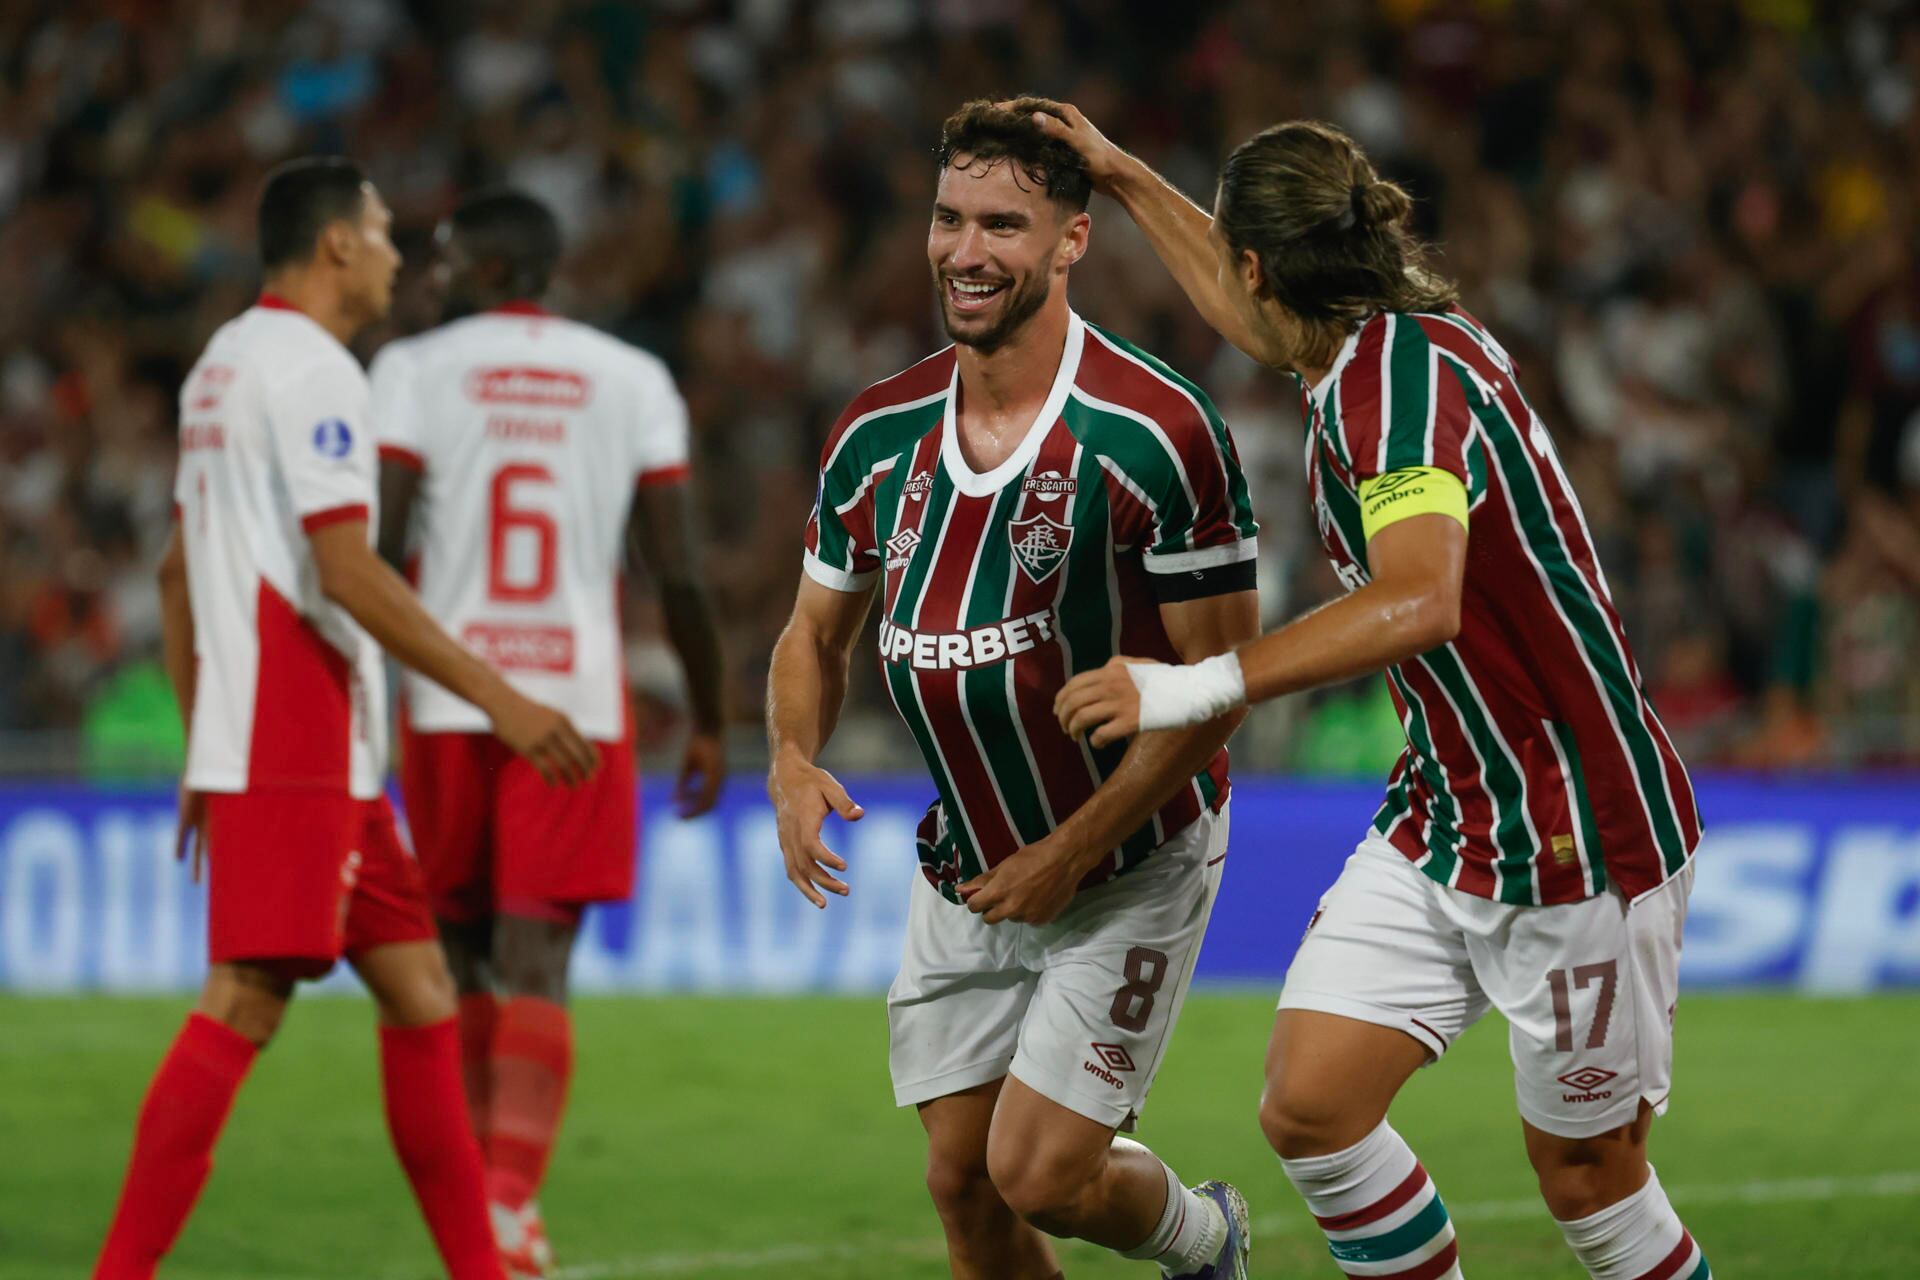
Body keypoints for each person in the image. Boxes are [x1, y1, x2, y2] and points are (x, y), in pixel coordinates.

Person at [1045, 105, 1712, 1280]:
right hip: (1448, 806)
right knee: (1312, 1104)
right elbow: (1237, 295)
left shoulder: (1391, 393)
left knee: (1590, 1177)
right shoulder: (1372, 349)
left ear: (1263, 267)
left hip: (1573, 824)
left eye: (1233, 256)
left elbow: (1419, 600)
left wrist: (1194, 684)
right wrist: (1121, 173)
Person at [766, 99, 1262, 1280]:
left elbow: (1221, 688)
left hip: (1130, 857)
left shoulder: (1155, 432)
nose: (966, 251)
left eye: (1003, 224)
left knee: (1038, 1173)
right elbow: (814, 631)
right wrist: (789, 755)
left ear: (1072, 240)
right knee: (963, 1184)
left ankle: (1206, 1237)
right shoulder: (876, 433)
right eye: (949, 219)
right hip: (974, 864)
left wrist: (1071, 850)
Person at [94, 157, 599, 1280]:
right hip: (301, 732)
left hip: (300, 745)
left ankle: (477, 1267)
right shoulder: (318, 371)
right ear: (334, 246)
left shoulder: (222, 363)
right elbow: (347, 569)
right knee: (245, 997)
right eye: (381, 233)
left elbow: (180, 571)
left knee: (421, 993)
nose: (396, 257)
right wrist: (502, 698)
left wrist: (206, 739)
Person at [371, 188, 728, 1277]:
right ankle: (507, 1202)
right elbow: (676, 569)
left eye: (443, 261)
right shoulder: (632, 378)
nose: (429, 278)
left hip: (448, 696)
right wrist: (709, 714)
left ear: (488, 269)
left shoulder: (411, 370)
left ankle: (484, 1207)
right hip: (573, 700)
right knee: (537, 955)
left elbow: (378, 550)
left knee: (461, 955)